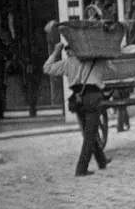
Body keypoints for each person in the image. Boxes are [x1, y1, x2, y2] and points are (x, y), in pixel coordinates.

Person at [43, 42, 112, 177]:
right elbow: (111, 69)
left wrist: (56, 51)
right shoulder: (95, 60)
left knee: (89, 131)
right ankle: (81, 169)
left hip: (77, 99)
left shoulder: (67, 63)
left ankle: (101, 161)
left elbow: (47, 68)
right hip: (93, 96)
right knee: (90, 134)